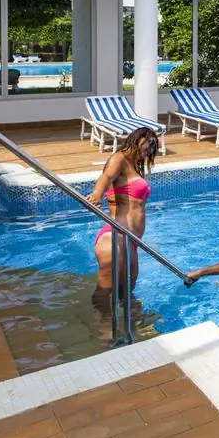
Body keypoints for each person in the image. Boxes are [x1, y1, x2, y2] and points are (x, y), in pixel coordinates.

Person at [86, 127, 158, 309]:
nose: (149, 150)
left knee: (127, 288)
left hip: (131, 240)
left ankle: (130, 318)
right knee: (105, 288)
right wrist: (97, 194)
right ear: (137, 139)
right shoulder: (119, 158)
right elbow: (106, 176)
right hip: (115, 236)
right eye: (148, 144)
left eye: (153, 147)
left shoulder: (133, 166)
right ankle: (103, 321)